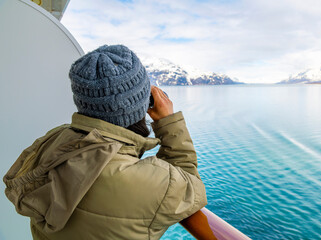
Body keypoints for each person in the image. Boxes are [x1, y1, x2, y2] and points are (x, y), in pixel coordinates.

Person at [3, 45, 208, 240]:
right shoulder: (151, 183)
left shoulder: (52, 141)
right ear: (143, 104)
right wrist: (168, 122)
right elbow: (191, 187)